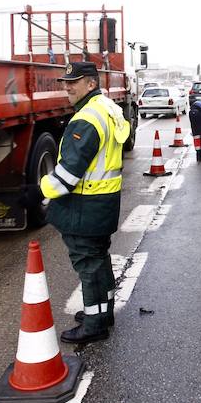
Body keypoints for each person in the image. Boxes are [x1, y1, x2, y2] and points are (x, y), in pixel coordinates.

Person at [39, 61, 130, 345]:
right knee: (99, 259)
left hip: (85, 204)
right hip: (104, 201)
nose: (67, 87)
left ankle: (93, 325)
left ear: (91, 84)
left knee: (88, 265)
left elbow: (67, 175)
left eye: (73, 82)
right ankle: (104, 313)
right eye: (65, 82)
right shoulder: (109, 108)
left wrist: (38, 191)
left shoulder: (86, 119)